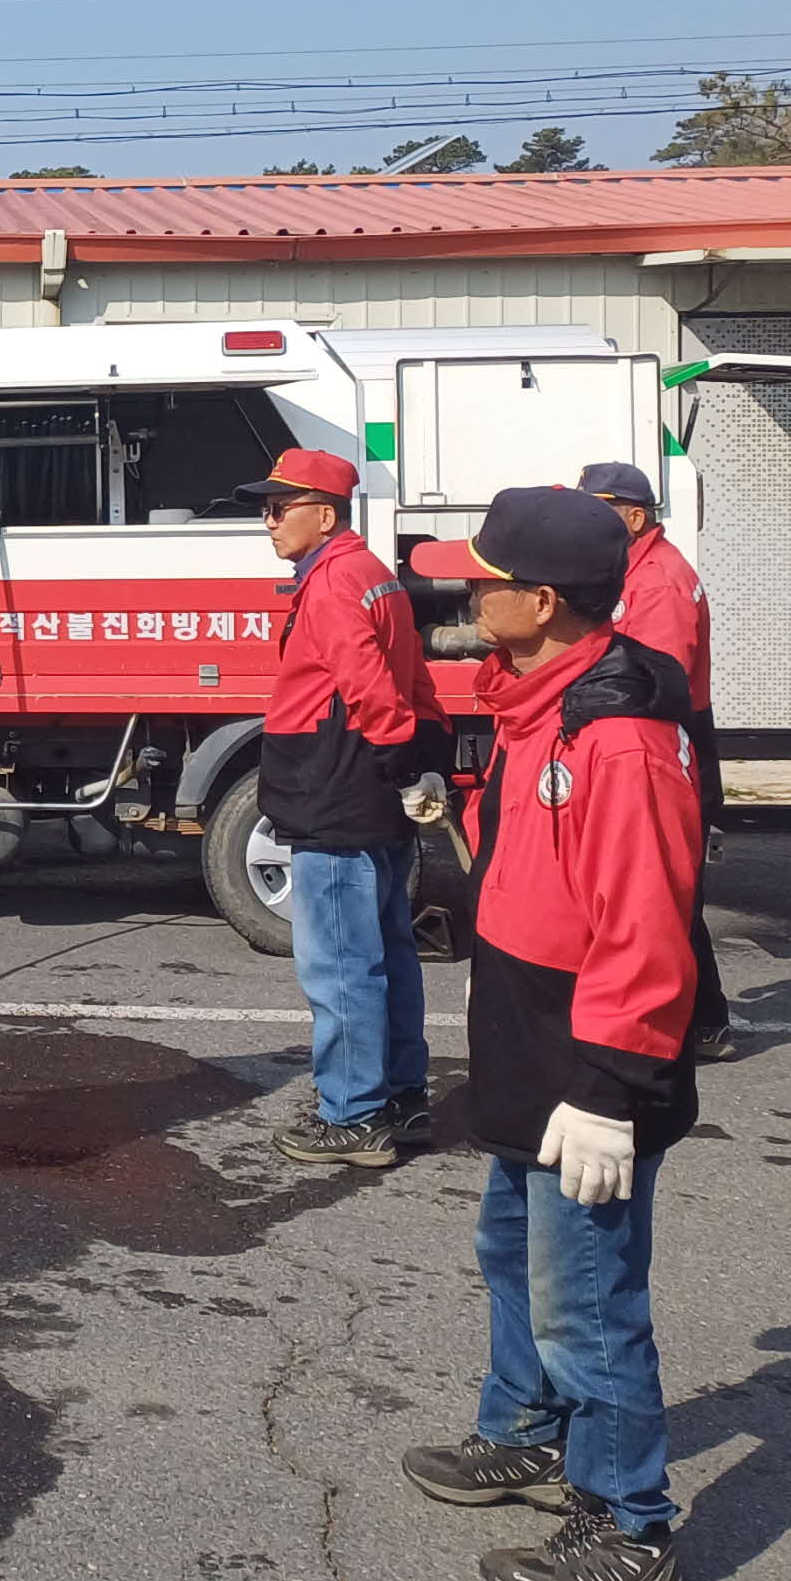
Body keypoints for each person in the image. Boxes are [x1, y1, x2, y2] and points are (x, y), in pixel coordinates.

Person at [393, 487, 704, 1581]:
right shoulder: (539, 700)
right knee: (511, 1249)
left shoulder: (612, 734)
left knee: (586, 1297)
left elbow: (646, 922)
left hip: (589, 1058)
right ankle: (523, 1429)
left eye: (480, 580)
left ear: (540, 600)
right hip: (531, 1032)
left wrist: (609, 1089)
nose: (461, 593)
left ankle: (628, 1524)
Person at [229, 447, 449, 1168]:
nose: (267, 521)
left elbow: (366, 684)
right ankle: (403, 1097)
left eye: (277, 507)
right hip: (372, 790)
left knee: (340, 962)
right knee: (388, 949)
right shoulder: (374, 575)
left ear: (323, 515)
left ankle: (352, 1114)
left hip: (334, 789)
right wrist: (421, 761)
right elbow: (410, 674)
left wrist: (394, 750)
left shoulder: (329, 584)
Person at [584, 461, 735, 1063]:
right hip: (667, 743)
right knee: (669, 900)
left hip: (671, 748)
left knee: (670, 900)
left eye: (599, 509)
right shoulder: (638, 570)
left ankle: (703, 1025)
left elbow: (660, 687)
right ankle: (702, 1022)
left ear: (635, 515)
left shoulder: (660, 583)